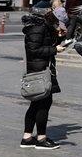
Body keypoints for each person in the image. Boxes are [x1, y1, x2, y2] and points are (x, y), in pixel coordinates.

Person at [21, 8, 67, 149]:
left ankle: (27, 137)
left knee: (36, 104)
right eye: (58, 23)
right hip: (39, 71)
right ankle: (41, 139)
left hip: (43, 68)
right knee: (43, 104)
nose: (58, 25)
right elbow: (34, 50)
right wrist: (55, 50)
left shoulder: (43, 26)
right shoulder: (38, 28)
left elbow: (45, 44)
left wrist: (59, 37)